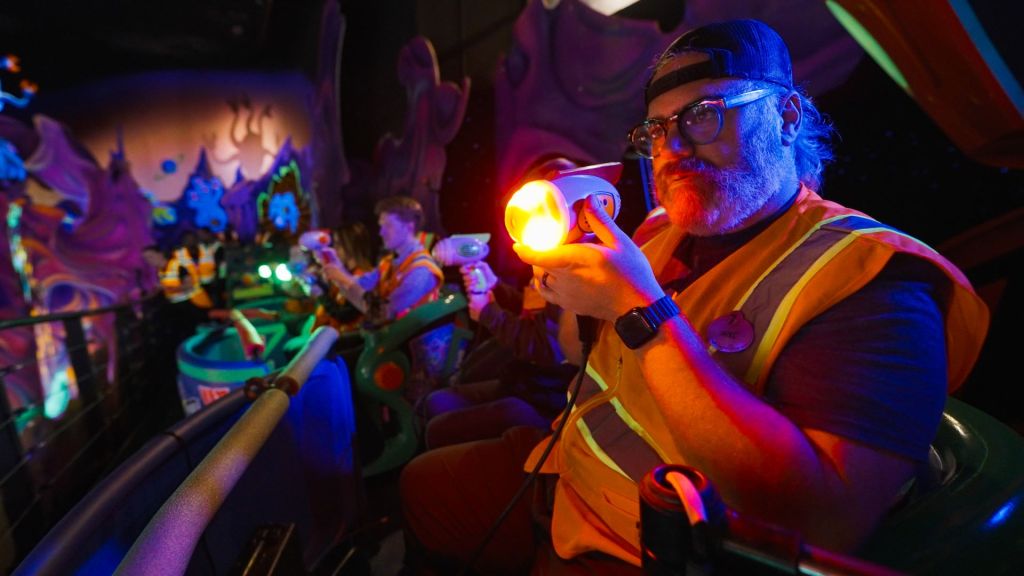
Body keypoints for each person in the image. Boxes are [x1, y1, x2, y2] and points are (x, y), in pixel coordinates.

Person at [399, 18, 989, 574]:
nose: (673, 147)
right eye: (656, 130)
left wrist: (639, 311)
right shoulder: (659, 232)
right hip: (563, 470)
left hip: (646, 547)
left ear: (785, 117)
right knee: (420, 484)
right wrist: (574, 284)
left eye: (703, 115)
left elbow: (820, 522)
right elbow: (583, 359)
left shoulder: (872, 281)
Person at [420, 259, 575, 449]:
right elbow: (532, 311)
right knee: (436, 402)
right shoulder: (551, 263)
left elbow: (548, 348)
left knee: (437, 430)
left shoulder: (577, 276)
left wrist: (488, 313)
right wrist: (495, 285)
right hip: (525, 381)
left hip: (546, 402)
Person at [319, 196, 443, 323]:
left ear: (409, 227)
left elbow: (384, 314)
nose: (381, 233)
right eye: (381, 226)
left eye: (388, 226)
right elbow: (360, 285)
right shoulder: (389, 263)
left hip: (414, 335)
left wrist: (341, 278)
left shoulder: (421, 270)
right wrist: (337, 269)